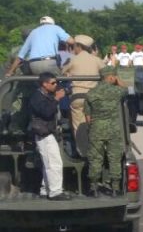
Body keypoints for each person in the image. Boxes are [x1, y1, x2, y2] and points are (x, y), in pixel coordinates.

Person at [85, 66, 127, 195]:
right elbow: (126, 88)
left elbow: (88, 118)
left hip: (96, 129)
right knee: (114, 158)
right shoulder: (117, 91)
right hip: (113, 129)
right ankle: (115, 188)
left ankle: (94, 187)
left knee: (95, 158)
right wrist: (118, 80)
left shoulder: (91, 93)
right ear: (111, 77)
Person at [62, 34, 106, 155]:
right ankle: (98, 149)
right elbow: (108, 74)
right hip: (94, 98)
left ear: (78, 46)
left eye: (74, 46)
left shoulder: (72, 59)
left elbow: (61, 72)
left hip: (77, 97)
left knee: (78, 125)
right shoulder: (96, 60)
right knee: (94, 124)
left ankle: (82, 151)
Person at [29, 72, 71, 200]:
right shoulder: (36, 97)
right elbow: (47, 112)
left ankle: (45, 189)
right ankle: (55, 192)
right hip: (44, 134)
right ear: (44, 84)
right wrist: (57, 99)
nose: (55, 85)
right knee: (54, 163)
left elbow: (63, 92)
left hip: (48, 133)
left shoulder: (46, 94)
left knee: (48, 163)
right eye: (53, 83)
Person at [6, 16, 74, 77]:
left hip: (34, 65)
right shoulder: (56, 28)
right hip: (50, 63)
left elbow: (20, 57)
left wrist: (10, 72)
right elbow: (71, 41)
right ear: (52, 23)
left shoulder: (33, 32)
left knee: (41, 83)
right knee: (61, 79)